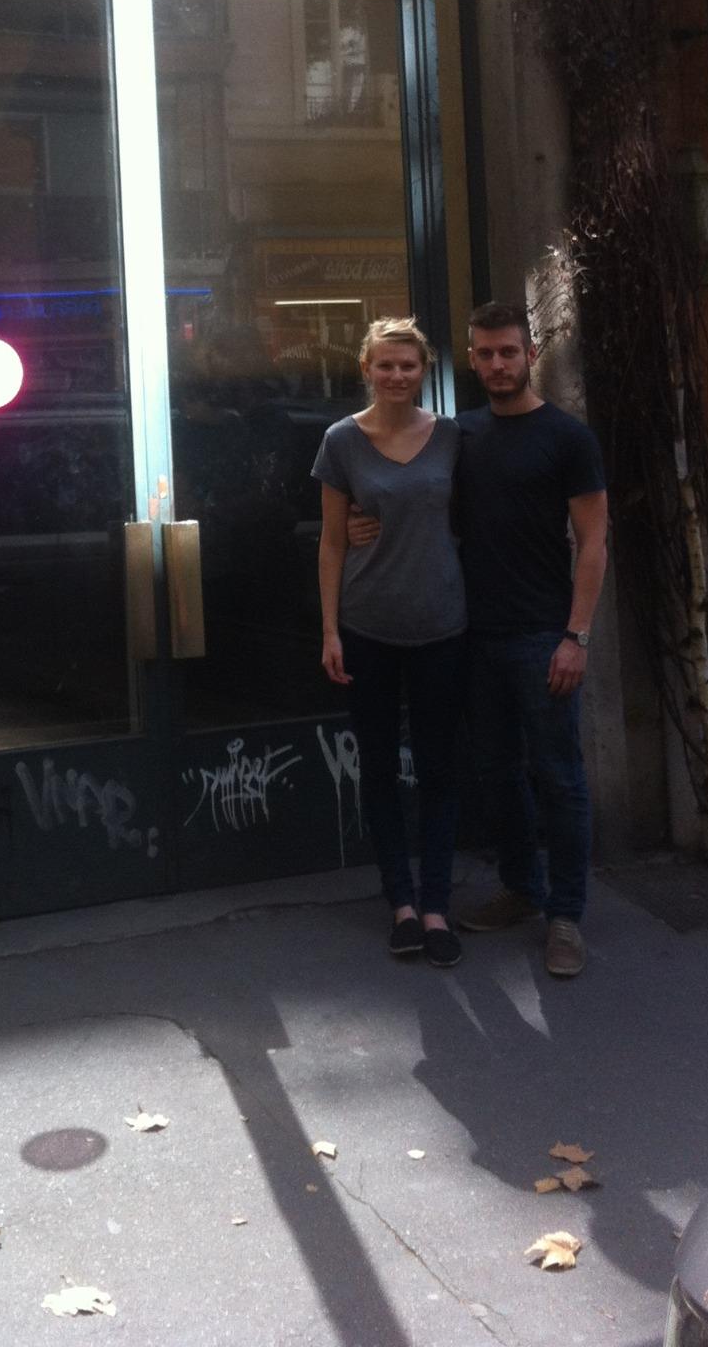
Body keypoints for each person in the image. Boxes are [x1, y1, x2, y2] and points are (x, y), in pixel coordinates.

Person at [346, 301, 608, 979]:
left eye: (508, 353)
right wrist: (360, 526)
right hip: (468, 633)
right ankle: (522, 889)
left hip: (541, 635)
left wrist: (575, 635)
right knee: (494, 774)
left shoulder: (566, 438)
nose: (496, 365)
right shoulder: (458, 437)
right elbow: (413, 501)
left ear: (529, 355)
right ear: (471, 359)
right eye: (485, 354)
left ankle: (565, 918)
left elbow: (593, 542)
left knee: (559, 777)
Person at [314, 317, 467, 966]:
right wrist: (328, 629)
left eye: (408, 365)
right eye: (386, 365)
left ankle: (436, 906)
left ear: (423, 369)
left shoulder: (454, 438)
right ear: (366, 369)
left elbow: (477, 518)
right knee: (377, 767)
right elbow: (328, 539)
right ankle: (399, 905)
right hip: (367, 624)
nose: (397, 375)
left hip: (441, 624)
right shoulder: (341, 442)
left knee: (438, 769)